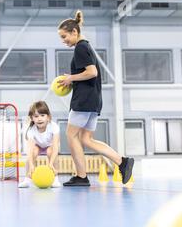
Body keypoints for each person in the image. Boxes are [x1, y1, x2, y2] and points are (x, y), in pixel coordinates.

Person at [57, 10, 134, 186]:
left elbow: (92, 72)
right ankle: (123, 162)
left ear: (74, 32)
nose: (64, 41)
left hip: (83, 101)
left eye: (64, 36)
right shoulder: (86, 46)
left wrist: (70, 78)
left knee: (71, 136)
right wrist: (73, 78)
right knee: (86, 139)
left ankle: (82, 176)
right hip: (93, 100)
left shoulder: (81, 47)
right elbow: (89, 73)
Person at [19, 101, 62, 188]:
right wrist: (31, 164)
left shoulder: (54, 126)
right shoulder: (31, 130)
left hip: (50, 146)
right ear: (32, 118)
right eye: (36, 116)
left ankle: (55, 179)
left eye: (42, 115)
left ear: (48, 117)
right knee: (33, 153)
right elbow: (30, 149)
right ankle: (27, 179)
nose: (39, 119)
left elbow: (55, 147)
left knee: (51, 151)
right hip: (38, 145)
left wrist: (50, 163)